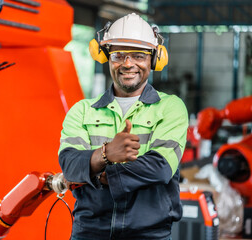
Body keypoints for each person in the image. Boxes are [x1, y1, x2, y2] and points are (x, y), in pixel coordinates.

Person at [58, 13, 188, 240]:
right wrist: (107, 153)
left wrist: (97, 169)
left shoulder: (170, 108)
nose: (128, 64)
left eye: (139, 55)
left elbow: (159, 168)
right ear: (105, 56)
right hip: (89, 232)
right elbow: (70, 164)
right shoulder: (82, 110)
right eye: (118, 55)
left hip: (149, 234)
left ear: (154, 60)